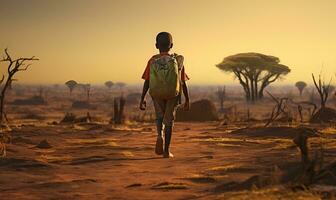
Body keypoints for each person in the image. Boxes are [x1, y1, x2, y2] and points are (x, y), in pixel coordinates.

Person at [139, 32, 190, 158]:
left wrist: (142, 98)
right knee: (169, 121)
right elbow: (182, 82)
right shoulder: (177, 61)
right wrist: (187, 99)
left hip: (156, 94)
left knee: (159, 117)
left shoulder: (152, 60)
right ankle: (166, 151)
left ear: (156, 45)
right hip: (172, 94)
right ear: (171, 45)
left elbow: (147, 81)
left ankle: (159, 135)